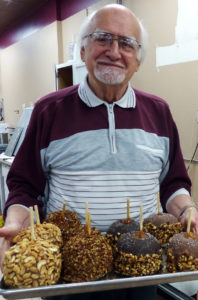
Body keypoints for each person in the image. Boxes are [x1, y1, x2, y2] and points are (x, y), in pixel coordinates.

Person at [0, 3, 198, 300]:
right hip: (70, 274)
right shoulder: (49, 111)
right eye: (102, 38)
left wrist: (187, 210)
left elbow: (173, 184)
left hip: (141, 268)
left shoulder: (159, 112)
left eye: (127, 43)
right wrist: (16, 221)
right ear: (82, 51)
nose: (115, 51)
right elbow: (24, 187)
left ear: (138, 60)